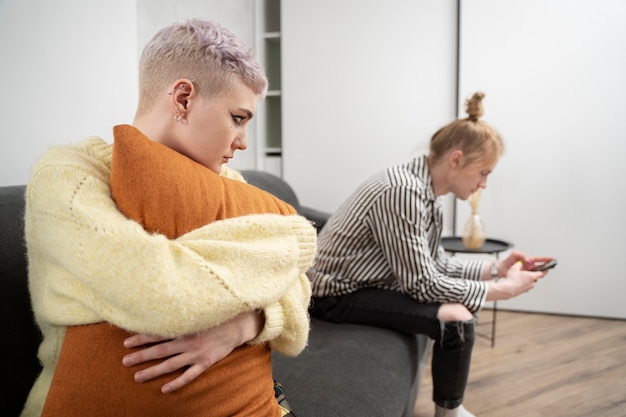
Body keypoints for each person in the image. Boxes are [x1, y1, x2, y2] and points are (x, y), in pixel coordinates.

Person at [22, 19, 316, 417]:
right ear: (182, 99)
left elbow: (298, 291)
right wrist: (295, 243)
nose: (243, 141)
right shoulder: (66, 176)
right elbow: (162, 291)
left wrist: (245, 325)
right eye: (238, 117)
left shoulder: (228, 182)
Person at [306, 92, 555, 417]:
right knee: (458, 318)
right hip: (334, 295)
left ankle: (449, 408)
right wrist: (502, 290)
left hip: (363, 284)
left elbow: (435, 263)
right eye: (484, 173)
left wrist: (498, 268)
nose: (483, 184)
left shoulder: (423, 192)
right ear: (456, 159)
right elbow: (422, 284)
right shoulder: (402, 192)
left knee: (458, 310)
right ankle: (449, 412)